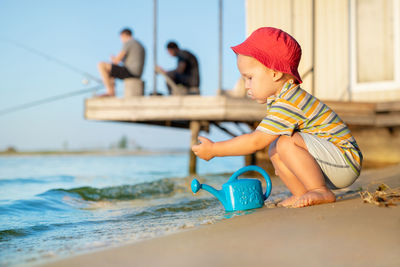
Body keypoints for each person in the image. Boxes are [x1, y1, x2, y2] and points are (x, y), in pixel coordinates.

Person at [192, 27, 363, 208]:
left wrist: (214, 150)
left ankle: (319, 190)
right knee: (275, 146)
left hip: (345, 161)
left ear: (275, 73)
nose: (246, 86)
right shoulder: (282, 99)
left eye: (249, 78)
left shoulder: (290, 101)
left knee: (284, 143)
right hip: (331, 163)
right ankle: (302, 193)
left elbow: (255, 142)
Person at [97, 28, 145, 97]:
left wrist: (113, 58)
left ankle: (110, 92)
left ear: (123, 35)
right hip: (137, 73)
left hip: (130, 72)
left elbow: (117, 60)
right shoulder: (139, 45)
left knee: (102, 65)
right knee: (113, 71)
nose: (121, 40)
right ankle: (111, 92)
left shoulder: (129, 43)